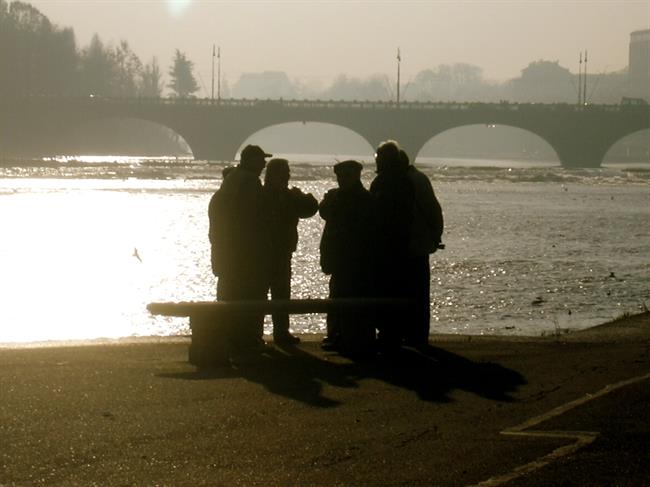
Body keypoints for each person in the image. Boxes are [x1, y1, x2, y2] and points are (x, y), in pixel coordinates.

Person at [208, 144, 272, 351]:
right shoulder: (250, 181)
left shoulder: (230, 183)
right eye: (261, 160)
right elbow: (257, 215)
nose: (264, 164)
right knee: (250, 295)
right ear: (252, 161)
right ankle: (247, 338)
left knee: (228, 294)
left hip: (227, 251)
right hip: (245, 253)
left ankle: (227, 335)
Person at [319, 160, 377, 357]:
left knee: (347, 297)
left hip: (353, 258)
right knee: (341, 296)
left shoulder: (359, 199)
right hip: (345, 258)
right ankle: (342, 336)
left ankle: (346, 336)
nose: (342, 180)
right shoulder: (355, 198)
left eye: (345, 176)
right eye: (341, 177)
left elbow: (328, 214)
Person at [262, 158, 318, 345]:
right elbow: (310, 207)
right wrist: (300, 195)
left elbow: (310, 208)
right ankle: (276, 332)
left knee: (276, 293)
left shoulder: (264, 195)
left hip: (273, 251)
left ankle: (272, 332)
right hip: (273, 251)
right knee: (276, 293)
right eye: (285, 173)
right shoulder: (281, 196)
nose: (287, 177)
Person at [369, 140, 415, 354]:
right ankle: (396, 333)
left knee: (383, 288)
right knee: (398, 287)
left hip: (384, 245)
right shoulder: (405, 181)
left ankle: (387, 334)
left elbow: (375, 213)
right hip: (402, 244)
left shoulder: (383, 182)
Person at [401, 149, 444, 349]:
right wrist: (435, 236)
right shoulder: (420, 179)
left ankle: (406, 335)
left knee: (404, 291)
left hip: (405, 247)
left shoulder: (398, 182)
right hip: (420, 246)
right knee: (419, 293)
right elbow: (434, 210)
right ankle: (418, 336)